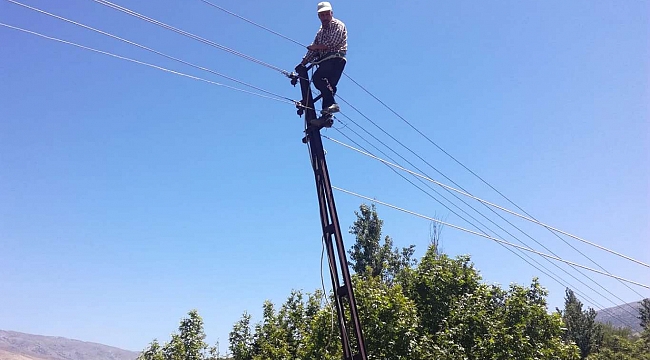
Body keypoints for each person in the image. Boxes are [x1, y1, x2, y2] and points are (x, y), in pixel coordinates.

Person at [300, 2, 347, 116]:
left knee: (318, 78)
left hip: (335, 59)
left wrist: (316, 47)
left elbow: (332, 43)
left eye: (327, 14)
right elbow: (313, 50)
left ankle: (332, 105)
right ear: (319, 16)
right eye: (322, 15)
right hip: (326, 60)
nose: (325, 17)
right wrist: (303, 62)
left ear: (331, 13)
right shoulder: (320, 33)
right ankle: (327, 116)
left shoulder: (337, 25)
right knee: (328, 88)